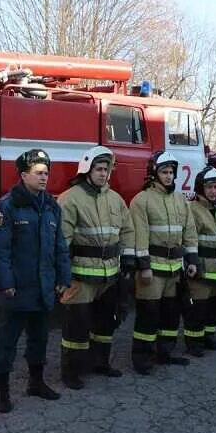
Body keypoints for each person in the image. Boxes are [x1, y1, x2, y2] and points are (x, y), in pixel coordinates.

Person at [0, 149, 71, 412]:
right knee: (7, 341)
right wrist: (5, 283)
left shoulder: (51, 206)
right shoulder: (8, 205)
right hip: (16, 289)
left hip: (43, 288)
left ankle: (36, 383)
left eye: (46, 173)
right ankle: (3, 392)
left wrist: (63, 277)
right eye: (38, 173)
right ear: (24, 175)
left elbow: (60, 245)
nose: (44, 177)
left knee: (39, 338)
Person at [56, 146, 135, 389]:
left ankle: (100, 363)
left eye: (107, 169)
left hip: (109, 276)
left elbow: (128, 231)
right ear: (87, 170)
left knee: (104, 325)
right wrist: (62, 273)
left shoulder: (116, 199)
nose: (103, 174)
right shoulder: (70, 198)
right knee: (76, 328)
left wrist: (129, 260)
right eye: (99, 169)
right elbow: (62, 240)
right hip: (80, 276)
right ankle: (72, 372)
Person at [129, 151, 198, 374]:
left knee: (170, 315)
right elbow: (139, 236)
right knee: (148, 316)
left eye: (171, 172)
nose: (169, 177)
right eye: (164, 172)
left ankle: (165, 353)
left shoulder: (180, 200)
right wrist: (144, 266)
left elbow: (189, 231)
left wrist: (192, 259)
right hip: (153, 270)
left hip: (175, 269)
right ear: (154, 173)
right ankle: (142, 359)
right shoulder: (142, 200)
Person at [185, 167, 216, 356]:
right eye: (209, 187)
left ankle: (209, 336)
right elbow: (189, 239)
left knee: (215, 305)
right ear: (200, 188)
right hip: (201, 268)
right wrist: (192, 262)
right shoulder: (192, 210)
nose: (213, 191)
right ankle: (194, 342)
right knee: (198, 307)